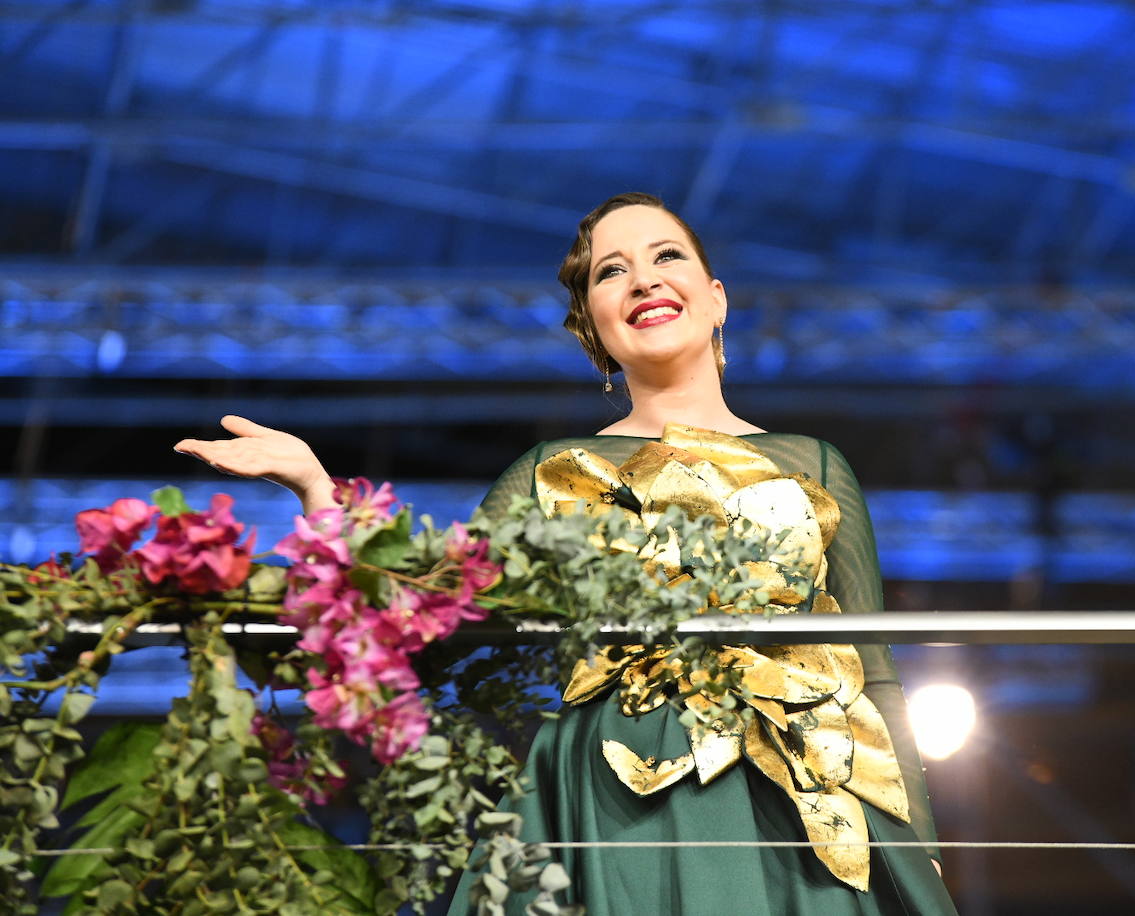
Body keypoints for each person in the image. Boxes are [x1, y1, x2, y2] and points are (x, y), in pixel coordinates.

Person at [175, 192, 958, 915]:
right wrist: (317, 490)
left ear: (716, 298)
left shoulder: (815, 464)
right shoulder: (550, 471)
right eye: (612, 273)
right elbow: (428, 607)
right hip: (610, 794)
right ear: (596, 328)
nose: (642, 279)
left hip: (799, 805)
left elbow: (874, 675)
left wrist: (921, 863)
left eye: (666, 256)